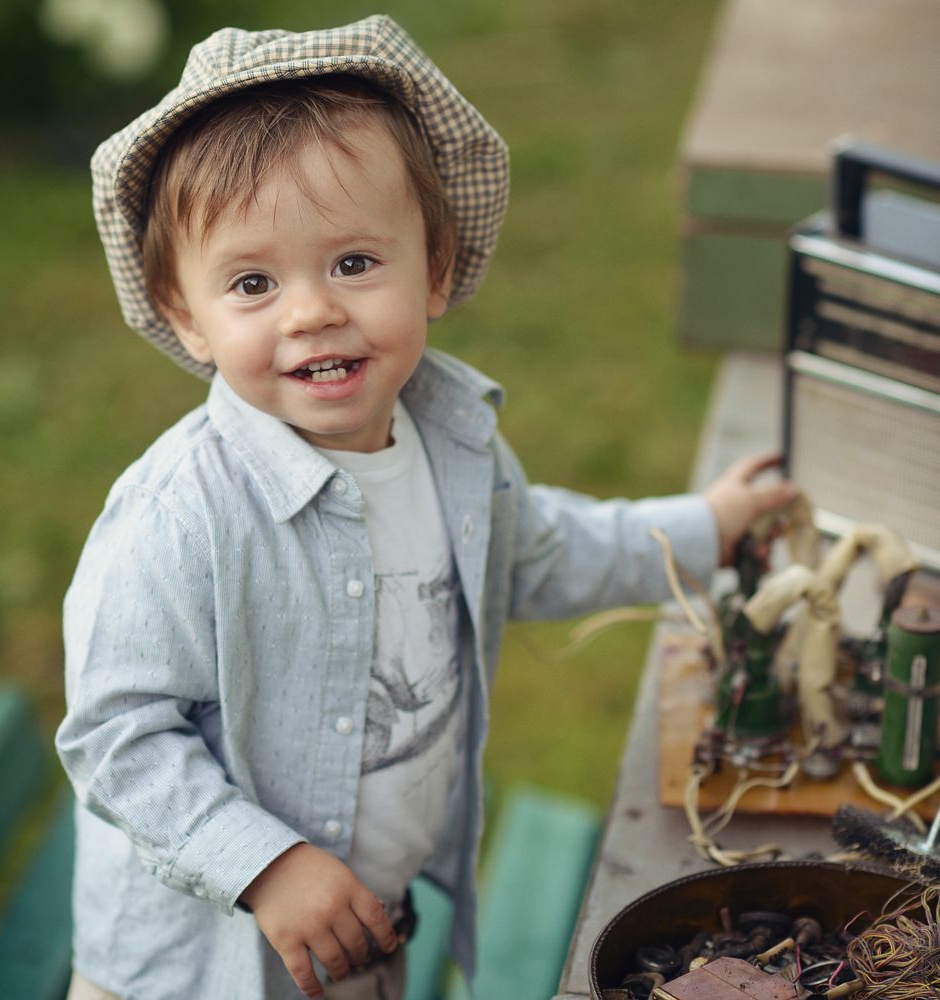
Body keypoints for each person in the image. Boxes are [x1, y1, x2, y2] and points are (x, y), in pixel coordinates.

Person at [55, 15, 796, 1000]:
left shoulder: (451, 444)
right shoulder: (177, 516)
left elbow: (538, 551)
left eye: (354, 263)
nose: (310, 308)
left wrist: (703, 527)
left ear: (435, 266)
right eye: (251, 282)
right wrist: (263, 863)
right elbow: (117, 737)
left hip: (362, 933)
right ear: (185, 312)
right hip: (198, 967)